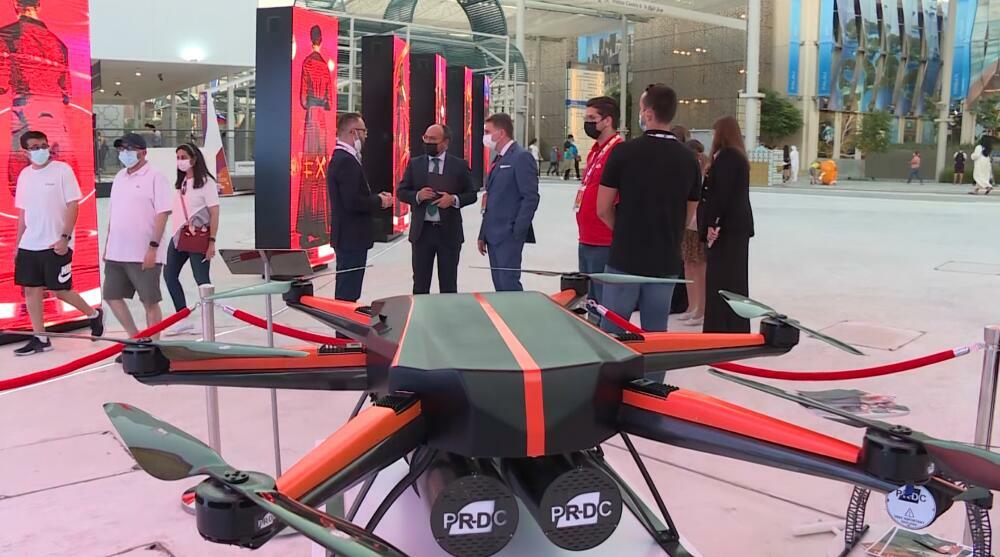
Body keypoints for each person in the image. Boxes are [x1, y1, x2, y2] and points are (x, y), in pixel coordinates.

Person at [595, 83, 701, 336]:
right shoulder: (689, 159)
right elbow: (688, 213)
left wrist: (624, 230)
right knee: (655, 333)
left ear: (649, 113)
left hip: (625, 257)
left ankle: (616, 364)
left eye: (642, 109)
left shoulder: (624, 152)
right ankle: (652, 364)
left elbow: (602, 208)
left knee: (614, 331)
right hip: (665, 259)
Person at [12, 130, 103, 355]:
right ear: (25, 151)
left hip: (56, 242)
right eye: (35, 147)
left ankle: (93, 314)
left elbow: (73, 204)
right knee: (31, 290)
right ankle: (40, 338)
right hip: (30, 243)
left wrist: (65, 237)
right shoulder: (24, 175)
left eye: (44, 145)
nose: (41, 150)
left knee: (59, 290)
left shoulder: (62, 170)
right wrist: (18, 243)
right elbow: (23, 212)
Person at [104, 133, 172, 339]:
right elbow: (113, 213)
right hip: (117, 251)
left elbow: (162, 213)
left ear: (143, 152)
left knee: (149, 301)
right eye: (121, 149)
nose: (124, 153)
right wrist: (107, 246)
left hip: (143, 252)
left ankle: (154, 343)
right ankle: (135, 338)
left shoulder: (156, 177)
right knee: (111, 295)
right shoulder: (119, 177)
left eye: (129, 149)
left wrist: (153, 248)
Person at [398, 124, 477, 294]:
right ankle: (420, 310)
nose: (428, 142)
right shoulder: (415, 164)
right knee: (420, 284)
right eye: (426, 138)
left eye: (433, 139)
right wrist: (418, 195)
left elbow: (472, 194)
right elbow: (401, 191)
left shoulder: (459, 165)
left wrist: (453, 199)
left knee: (448, 284)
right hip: (422, 233)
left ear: (445, 143)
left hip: (448, 233)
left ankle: (446, 311)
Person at [327, 112, 392, 302]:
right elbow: (352, 201)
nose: (365, 136)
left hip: (349, 236)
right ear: (353, 132)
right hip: (351, 236)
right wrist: (379, 201)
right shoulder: (345, 161)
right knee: (348, 291)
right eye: (363, 131)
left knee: (349, 288)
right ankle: (344, 322)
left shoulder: (347, 158)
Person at [700, 116, 754, 334]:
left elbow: (721, 194)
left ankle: (720, 328)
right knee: (735, 279)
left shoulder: (728, 157)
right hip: (736, 228)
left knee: (721, 281)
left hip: (727, 229)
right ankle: (735, 327)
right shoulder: (738, 156)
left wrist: (713, 223)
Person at [478, 113, 540, 292]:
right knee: (499, 284)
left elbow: (530, 197)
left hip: (508, 233)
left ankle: (516, 311)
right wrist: (483, 233)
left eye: (488, 132)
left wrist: (517, 230)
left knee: (509, 284)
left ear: (501, 133)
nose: (485, 136)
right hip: (493, 234)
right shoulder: (499, 159)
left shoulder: (521, 157)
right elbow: (490, 200)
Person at [163, 143, 220, 335]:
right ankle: (182, 317)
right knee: (169, 275)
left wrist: (212, 241)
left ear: (194, 159)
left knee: (202, 280)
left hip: (198, 237)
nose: (180, 161)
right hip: (179, 236)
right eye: (178, 157)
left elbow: (214, 212)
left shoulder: (206, 183)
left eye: (184, 157)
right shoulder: (182, 183)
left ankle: (207, 320)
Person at [576, 96, 623, 310]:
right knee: (591, 300)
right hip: (586, 236)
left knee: (605, 302)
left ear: (607, 120)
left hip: (604, 239)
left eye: (591, 118)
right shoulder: (595, 150)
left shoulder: (618, 151)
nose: (587, 123)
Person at [678, 138, 708, 327]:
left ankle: (701, 309)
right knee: (688, 265)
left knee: (699, 268)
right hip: (688, 224)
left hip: (699, 225)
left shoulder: (705, 172)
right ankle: (691, 306)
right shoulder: (687, 171)